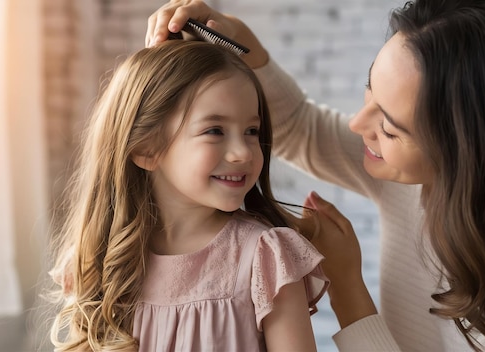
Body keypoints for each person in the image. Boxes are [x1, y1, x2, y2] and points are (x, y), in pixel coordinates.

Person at [146, 0, 485, 351]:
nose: (357, 124)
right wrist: (241, 41)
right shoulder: (408, 170)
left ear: (469, 153)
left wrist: (346, 284)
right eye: (369, 90)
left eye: (389, 128)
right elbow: (302, 127)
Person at [46, 39, 329, 351]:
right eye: (215, 131)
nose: (242, 153)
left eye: (251, 131)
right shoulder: (98, 256)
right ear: (145, 148)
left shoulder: (265, 259)